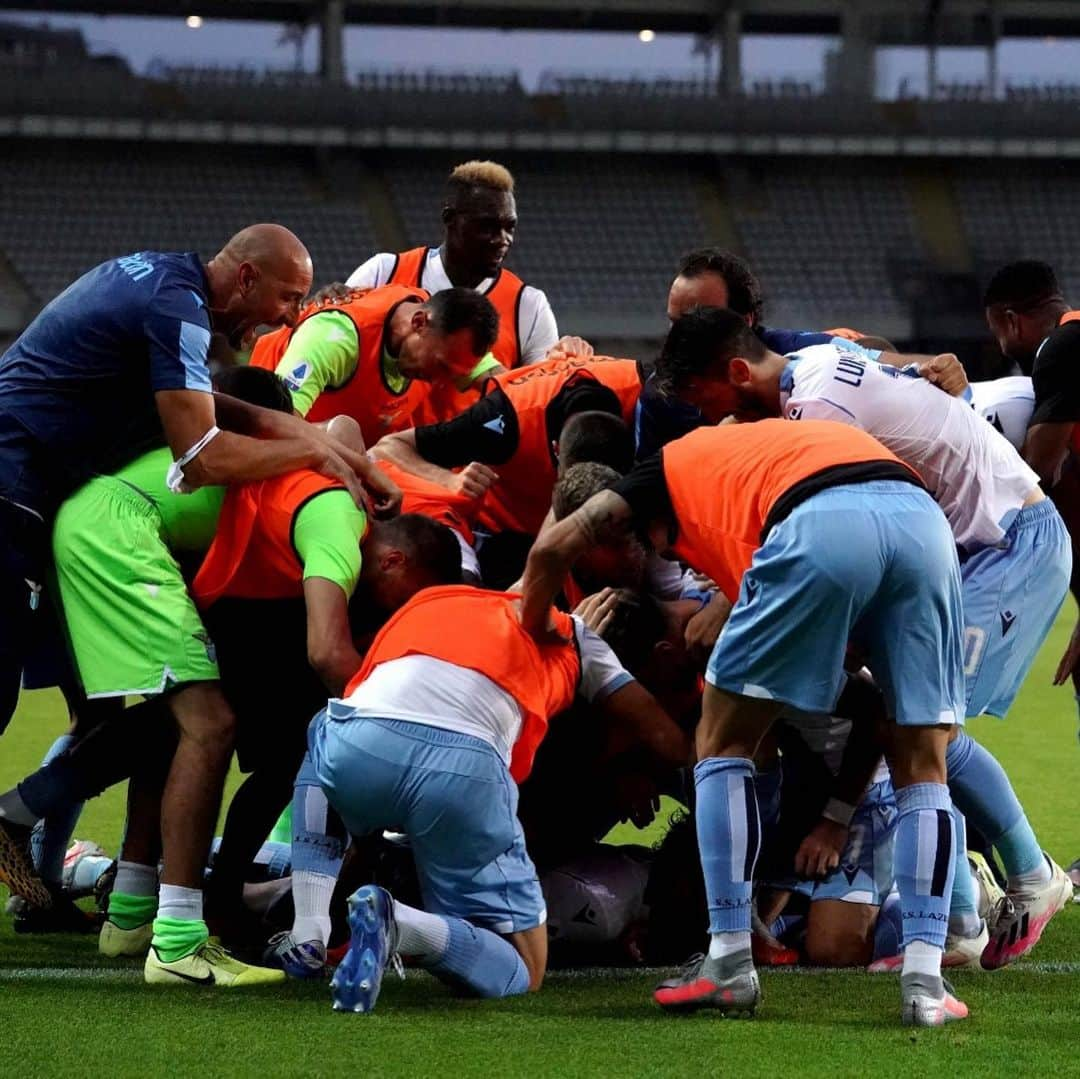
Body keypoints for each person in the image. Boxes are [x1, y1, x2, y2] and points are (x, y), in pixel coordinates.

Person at [653, 309, 1074, 968]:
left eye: (702, 398)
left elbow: (829, 508)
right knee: (905, 723)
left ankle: (1025, 872)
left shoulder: (815, 412)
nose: (708, 418)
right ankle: (959, 913)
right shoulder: (813, 372)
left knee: (924, 729)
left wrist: (733, 599)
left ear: (735, 372)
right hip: (962, 545)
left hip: (1007, 538)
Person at [520, 418, 969, 1027]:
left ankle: (729, 959)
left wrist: (541, 629)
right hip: (923, 525)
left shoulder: (660, 474)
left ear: (640, 517)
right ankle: (926, 983)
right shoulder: (752, 455)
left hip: (820, 524)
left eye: (666, 548)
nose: (677, 557)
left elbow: (550, 548)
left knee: (722, 739)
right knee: (926, 765)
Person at [0, 224, 394, 738]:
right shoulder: (175, 309)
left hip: (34, 491)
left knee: (95, 712)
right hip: (13, 484)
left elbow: (223, 406)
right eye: (288, 297)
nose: (291, 316)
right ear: (247, 278)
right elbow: (201, 458)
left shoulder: (160, 279)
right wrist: (305, 453)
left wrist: (332, 449)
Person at [302, 584, 688, 1013]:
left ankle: (307, 929)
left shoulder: (437, 600)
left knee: (323, 729)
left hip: (357, 746)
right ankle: (401, 925)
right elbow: (666, 739)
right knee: (526, 968)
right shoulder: (578, 635)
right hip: (463, 774)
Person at [190, 453, 464, 941]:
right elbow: (327, 653)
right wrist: (391, 730)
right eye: (406, 595)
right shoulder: (342, 530)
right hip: (223, 605)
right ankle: (206, 900)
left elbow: (341, 429)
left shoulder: (355, 518)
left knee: (284, 761)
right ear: (394, 560)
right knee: (259, 755)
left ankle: (224, 897)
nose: (398, 609)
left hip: (246, 607)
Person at [372, 355, 641, 586]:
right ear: (556, 450)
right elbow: (389, 446)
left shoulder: (648, 398)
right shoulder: (501, 418)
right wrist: (447, 479)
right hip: (503, 539)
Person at [346, 160, 557, 368]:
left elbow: (541, 395)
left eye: (509, 227)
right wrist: (329, 307)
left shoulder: (529, 306)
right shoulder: (383, 273)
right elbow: (334, 339)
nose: (503, 239)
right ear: (449, 218)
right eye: (487, 226)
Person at [249, 285, 500, 447]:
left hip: (355, 459)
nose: (439, 383)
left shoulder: (441, 327)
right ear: (419, 323)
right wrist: (350, 453)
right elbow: (273, 426)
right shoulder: (334, 337)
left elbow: (504, 387)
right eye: (440, 367)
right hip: (266, 449)